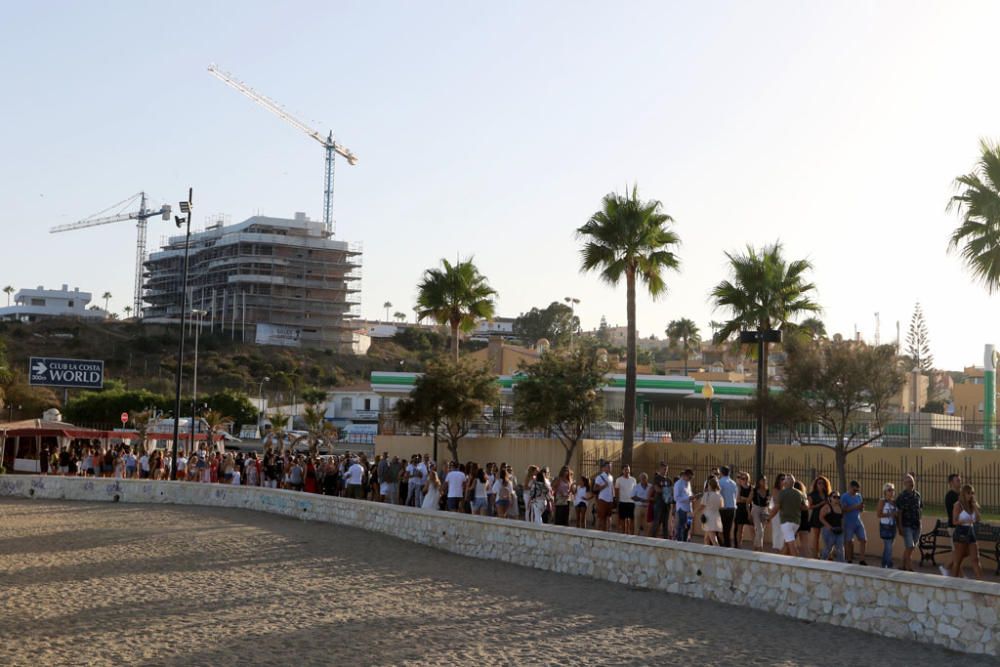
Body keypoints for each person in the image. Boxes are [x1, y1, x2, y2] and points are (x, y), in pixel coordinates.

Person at [768, 474, 808, 557]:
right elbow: (806, 507)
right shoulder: (800, 493)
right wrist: (796, 505)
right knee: (787, 543)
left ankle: (796, 564)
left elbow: (776, 508)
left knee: (792, 546)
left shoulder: (782, 493)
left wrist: (769, 517)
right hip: (796, 522)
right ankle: (779, 561)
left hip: (786, 523)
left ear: (786, 483)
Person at [950, 484, 983, 579]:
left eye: (972, 493)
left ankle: (981, 584)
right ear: (963, 494)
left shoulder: (972, 505)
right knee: (958, 560)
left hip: (970, 532)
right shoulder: (958, 505)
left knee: (975, 559)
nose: (970, 495)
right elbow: (954, 521)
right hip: (961, 533)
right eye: (968, 493)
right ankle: (952, 583)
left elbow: (978, 518)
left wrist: (975, 507)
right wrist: (965, 521)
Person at [896, 474, 922, 572]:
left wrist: (921, 521)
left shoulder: (917, 495)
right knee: (909, 546)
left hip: (917, 525)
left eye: (911, 481)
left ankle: (902, 564)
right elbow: (899, 513)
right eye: (908, 482)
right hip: (907, 525)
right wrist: (900, 527)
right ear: (904, 484)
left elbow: (920, 509)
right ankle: (909, 567)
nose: (910, 483)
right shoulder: (902, 496)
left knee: (911, 547)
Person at [841, 480, 868, 565]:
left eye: (857, 490)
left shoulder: (859, 496)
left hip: (857, 520)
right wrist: (856, 506)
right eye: (854, 490)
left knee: (863, 539)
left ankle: (862, 559)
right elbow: (844, 509)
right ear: (850, 487)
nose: (856, 492)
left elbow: (860, 509)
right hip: (848, 521)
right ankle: (849, 559)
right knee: (848, 541)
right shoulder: (844, 497)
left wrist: (861, 508)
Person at [940, 473, 962, 576]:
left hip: (961, 526)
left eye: (959, 480)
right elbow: (954, 512)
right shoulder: (950, 496)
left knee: (958, 553)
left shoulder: (960, 494)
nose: (959, 482)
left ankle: (959, 575)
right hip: (954, 527)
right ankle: (945, 567)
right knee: (957, 552)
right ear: (951, 483)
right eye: (957, 480)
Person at [808, 476, 832, 559]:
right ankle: (815, 555)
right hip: (816, 516)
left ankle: (828, 554)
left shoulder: (828, 494)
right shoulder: (812, 495)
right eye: (819, 483)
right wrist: (821, 503)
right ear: (816, 484)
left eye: (823, 483)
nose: (821, 485)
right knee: (816, 536)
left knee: (827, 536)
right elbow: (809, 507)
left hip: (827, 517)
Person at [876, 482, 898, 569]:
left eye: (893, 490)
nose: (891, 492)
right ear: (885, 491)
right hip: (885, 527)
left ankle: (884, 563)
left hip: (893, 527)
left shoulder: (894, 502)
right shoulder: (882, 501)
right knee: (888, 546)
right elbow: (878, 514)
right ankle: (889, 565)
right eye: (889, 490)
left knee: (888, 546)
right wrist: (890, 514)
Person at [819, 492, 845, 562]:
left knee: (840, 549)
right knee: (828, 549)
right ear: (830, 498)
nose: (836, 499)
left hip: (839, 531)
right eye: (834, 497)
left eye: (838, 497)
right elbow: (821, 518)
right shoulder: (827, 507)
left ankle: (841, 565)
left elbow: (842, 518)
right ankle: (821, 563)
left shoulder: (840, 507)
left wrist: (842, 528)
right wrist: (830, 527)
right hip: (829, 531)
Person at [700, 477, 724, 546]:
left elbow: (701, 506)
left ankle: (718, 553)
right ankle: (707, 553)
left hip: (708, 517)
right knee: (706, 538)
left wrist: (694, 513)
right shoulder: (719, 496)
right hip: (716, 516)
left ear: (709, 485)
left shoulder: (707, 495)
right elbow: (721, 506)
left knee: (713, 539)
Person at [718, 466, 738, 547]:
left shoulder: (720, 482)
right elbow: (735, 495)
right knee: (728, 530)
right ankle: (728, 546)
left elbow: (718, 495)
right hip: (732, 508)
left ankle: (723, 546)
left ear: (721, 472)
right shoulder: (733, 483)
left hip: (723, 508)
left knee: (720, 530)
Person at [650, 462, 671, 538]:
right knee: (657, 522)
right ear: (660, 469)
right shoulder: (657, 478)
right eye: (664, 469)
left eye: (666, 469)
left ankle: (666, 540)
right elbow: (657, 489)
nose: (665, 470)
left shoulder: (669, 480)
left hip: (667, 503)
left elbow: (671, 491)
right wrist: (666, 491)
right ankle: (652, 538)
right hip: (658, 503)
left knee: (665, 523)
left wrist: (668, 492)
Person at [673, 469, 695, 542]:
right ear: (685, 475)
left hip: (689, 508)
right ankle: (679, 541)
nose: (690, 479)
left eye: (691, 478)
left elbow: (689, 493)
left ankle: (685, 540)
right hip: (682, 509)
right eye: (689, 477)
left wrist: (693, 497)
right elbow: (676, 498)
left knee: (688, 525)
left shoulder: (688, 483)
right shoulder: (678, 484)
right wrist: (688, 498)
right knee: (682, 525)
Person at [615, 465, 637, 535]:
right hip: (622, 502)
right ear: (622, 471)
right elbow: (616, 491)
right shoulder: (618, 480)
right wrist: (617, 502)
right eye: (625, 470)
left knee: (632, 520)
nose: (627, 471)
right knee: (623, 519)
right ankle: (623, 534)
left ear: (630, 470)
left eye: (628, 469)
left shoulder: (633, 480)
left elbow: (635, 491)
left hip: (631, 502)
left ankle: (631, 535)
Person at [749, 476, 770, 552]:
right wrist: (749, 513)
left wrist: (769, 514)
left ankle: (755, 547)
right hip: (756, 509)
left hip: (764, 510)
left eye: (765, 480)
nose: (764, 481)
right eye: (762, 480)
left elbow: (768, 502)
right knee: (760, 530)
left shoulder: (767, 490)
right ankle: (760, 548)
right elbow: (748, 502)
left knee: (761, 531)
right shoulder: (754, 490)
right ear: (759, 481)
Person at [593, 461, 615, 532]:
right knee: (601, 517)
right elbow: (595, 488)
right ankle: (599, 532)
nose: (610, 468)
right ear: (604, 468)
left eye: (611, 466)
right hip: (602, 499)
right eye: (608, 466)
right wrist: (603, 486)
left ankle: (606, 532)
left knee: (608, 517)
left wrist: (614, 497)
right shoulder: (599, 477)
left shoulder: (611, 477)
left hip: (610, 500)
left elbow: (612, 488)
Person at [734, 471, 753, 548]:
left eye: (745, 478)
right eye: (742, 478)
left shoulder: (751, 487)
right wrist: (748, 499)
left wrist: (744, 499)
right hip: (740, 508)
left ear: (748, 479)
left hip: (749, 509)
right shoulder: (739, 487)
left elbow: (752, 499)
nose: (743, 479)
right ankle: (739, 545)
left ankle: (755, 545)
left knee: (752, 528)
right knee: (740, 528)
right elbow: (738, 499)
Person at [769, 473, 786, 552]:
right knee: (777, 530)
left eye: (785, 479)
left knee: (783, 531)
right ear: (778, 480)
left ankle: (781, 548)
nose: (784, 480)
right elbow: (776, 502)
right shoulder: (776, 490)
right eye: (782, 479)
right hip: (777, 513)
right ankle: (776, 547)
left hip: (784, 513)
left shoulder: (786, 490)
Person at [633, 472, 651, 537]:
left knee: (646, 525)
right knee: (637, 525)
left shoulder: (650, 486)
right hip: (638, 507)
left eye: (644, 478)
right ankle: (635, 538)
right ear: (639, 479)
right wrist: (641, 499)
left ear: (647, 479)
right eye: (641, 478)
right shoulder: (636, 486)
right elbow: (632, 496)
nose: (643, 479)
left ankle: (646, 539)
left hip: (647, 507)